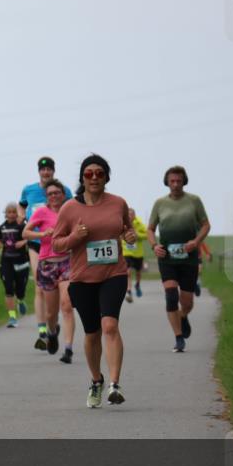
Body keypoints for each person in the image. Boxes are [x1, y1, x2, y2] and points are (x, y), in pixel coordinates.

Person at [52, 154, 136, 408]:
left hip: (114, 274)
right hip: (82, 279)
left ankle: (114, 384)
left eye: (100, 173)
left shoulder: (118, 203)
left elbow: (126, 229)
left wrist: (129, 235)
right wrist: (75, 237)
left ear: (107, 177)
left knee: (109, 325)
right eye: (89, 173)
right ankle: (96, 379)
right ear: (82, 178)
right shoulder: (69, 208)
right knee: (92, 333)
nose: (95, 177)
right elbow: (56, 245)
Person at [146, 166, 210, 353]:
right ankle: (178, 337)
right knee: (171, 296)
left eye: (178, 181)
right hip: (167, 256)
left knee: (187, 301)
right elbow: (150, 228)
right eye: (172, 181)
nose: (175, 184)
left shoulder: (194, 201)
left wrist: (196, 241)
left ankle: (182, 316)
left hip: (188, 256)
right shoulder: (160, 203)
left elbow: (206, 225)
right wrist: (154, 245)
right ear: (167, 182)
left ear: (184, 181)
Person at [19, 157, 73, 350]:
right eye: (43, 170)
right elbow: (22, 205)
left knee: (61, 296)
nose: (46, 172)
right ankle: (43, 328)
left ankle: (54, 325)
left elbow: (72, 209)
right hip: (37, 244)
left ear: (53, 171)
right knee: (39, 286)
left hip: (60, 248)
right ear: (38, 172)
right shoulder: (29, 189)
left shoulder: (64, 190)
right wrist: (21, 218)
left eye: (49, 169)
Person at [0, 203, 30, 328]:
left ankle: (20, 300)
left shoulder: (22, 226)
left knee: (20, 288)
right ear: (5, 213)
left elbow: (30, 237)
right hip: (6, 261)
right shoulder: (2, 226)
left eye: (13, 212)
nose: (11, 214)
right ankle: (12, 317)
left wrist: (23, 242)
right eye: (9, 212)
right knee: (8, 289)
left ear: (17, 213)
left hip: (21, 261)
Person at [122, 207, 147, 303]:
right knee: (127, 272)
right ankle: (128, 290)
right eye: (127, 215)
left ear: (134, 215)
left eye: (131, 215)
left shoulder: (139, 223)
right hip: (126, 252)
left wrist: (137, 235)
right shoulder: (122, 223)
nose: (129, 217)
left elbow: (147, 235)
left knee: (138, 272)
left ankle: (137, 284)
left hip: (138, 253)